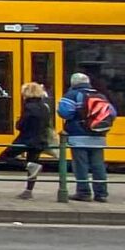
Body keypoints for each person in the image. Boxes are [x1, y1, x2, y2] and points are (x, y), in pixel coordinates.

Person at [57, 71, 115, 201]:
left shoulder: (72, 95)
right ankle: (101, 194)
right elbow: (112, 113)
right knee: (98, 165)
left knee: (81, 165)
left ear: (73, 83)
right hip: (99, 136)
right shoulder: (100, 96)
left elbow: (64, 113)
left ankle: (83, 192)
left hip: (78, 136)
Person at [12, 78, 56, 199]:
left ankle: (27, 165)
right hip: (40, 140)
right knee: (33, 162)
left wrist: (18, 123)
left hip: (26, 139)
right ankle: (28, 191)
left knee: (6, 156)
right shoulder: (44, 106)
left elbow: (22, 125)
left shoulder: (28, 106)